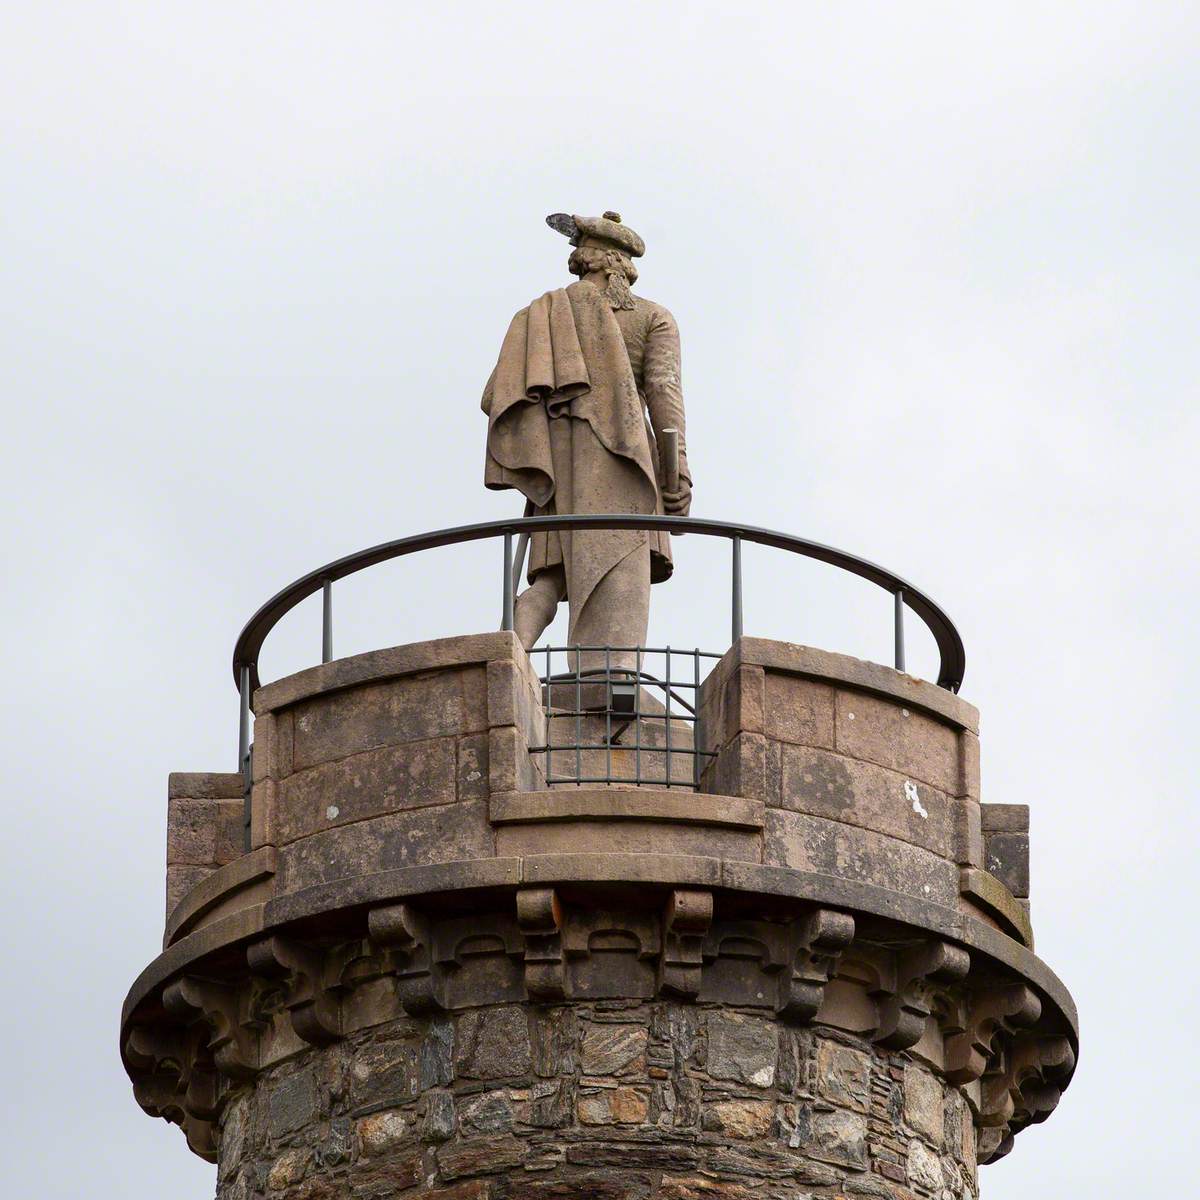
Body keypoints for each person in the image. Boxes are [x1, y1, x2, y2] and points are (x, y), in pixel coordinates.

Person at [482, 211, 692, 671]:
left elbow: (500, 393)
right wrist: (677, 473)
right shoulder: (652, 317)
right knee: (622, 563)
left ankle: (508, 661)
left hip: (557, 468)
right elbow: (663, 393)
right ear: (618, 264)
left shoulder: (543, 313)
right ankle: (607, 677)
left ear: (586, 261)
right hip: (621, 457)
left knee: (550, 577)